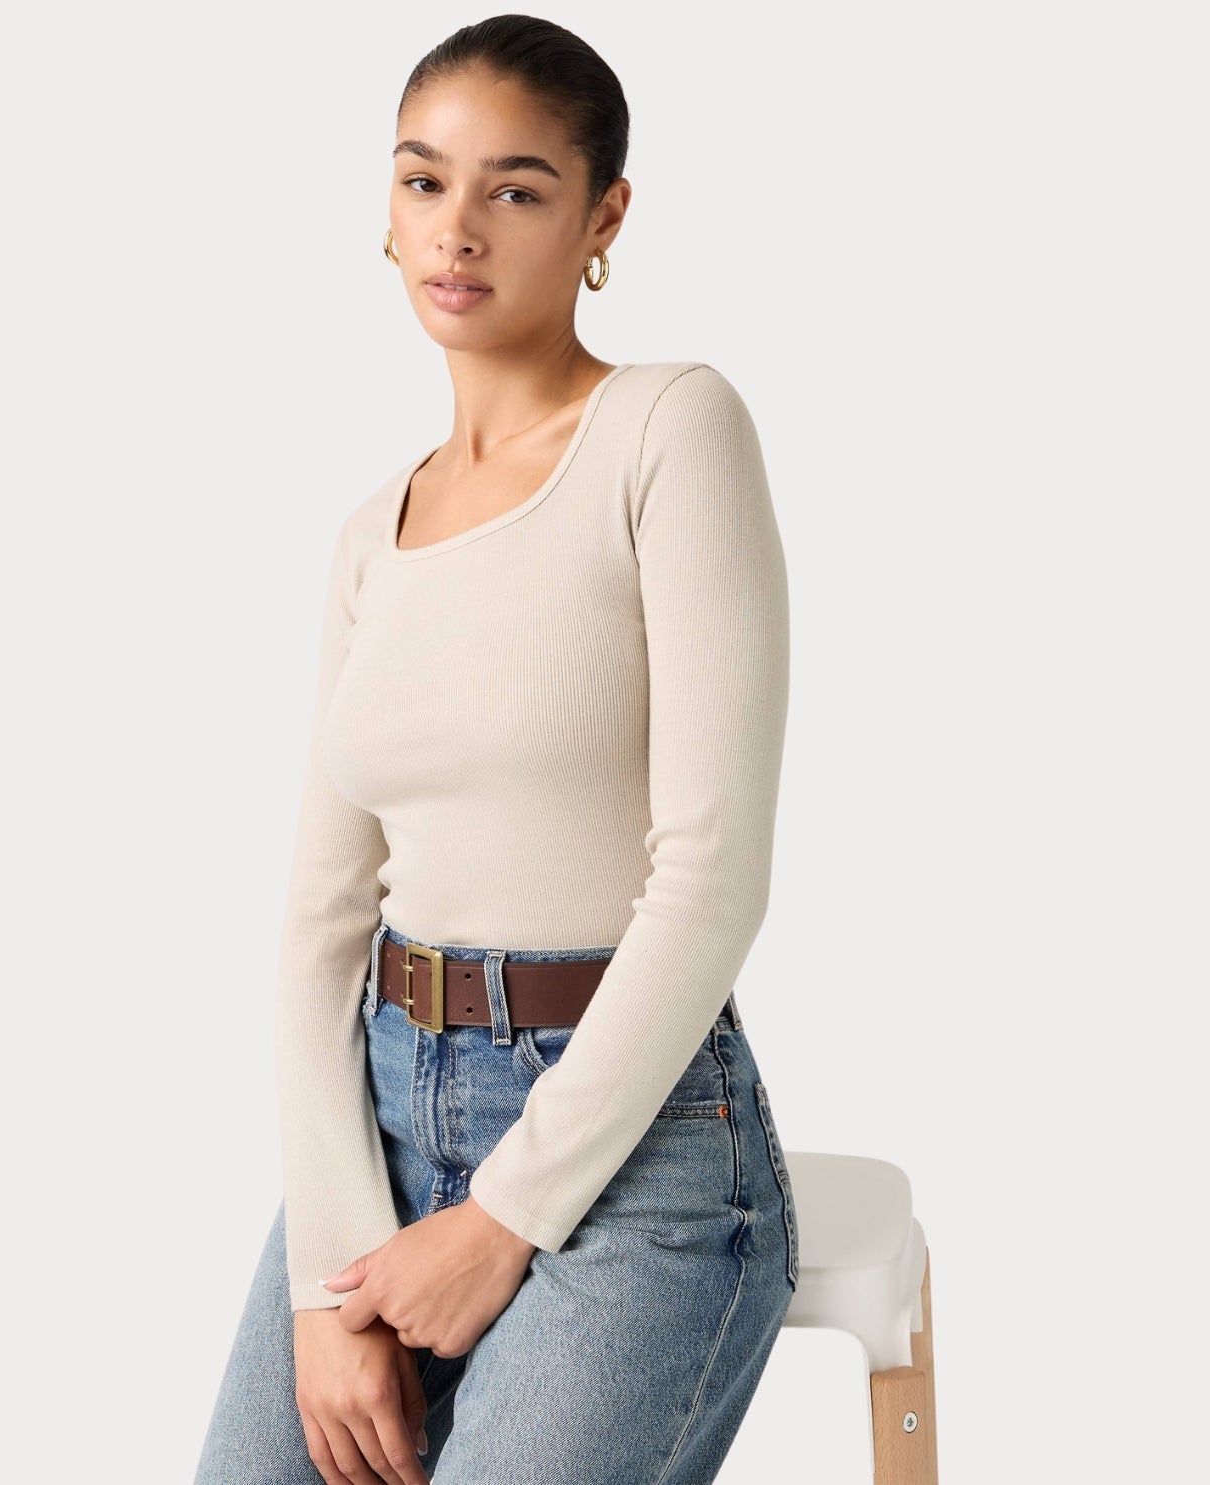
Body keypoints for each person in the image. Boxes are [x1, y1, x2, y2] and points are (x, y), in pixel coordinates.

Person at [195, 15, 798, 1485]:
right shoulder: (370, 533)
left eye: (515, 190)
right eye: (424, 182)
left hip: (635, 1144)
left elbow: (710, 877)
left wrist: (506, 1217)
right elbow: (318, 926)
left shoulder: (669, 430)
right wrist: (327, 1277)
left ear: (604, 219)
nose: (455, 229)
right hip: (383, 1116)